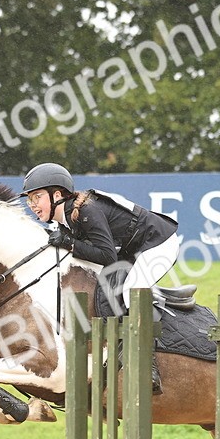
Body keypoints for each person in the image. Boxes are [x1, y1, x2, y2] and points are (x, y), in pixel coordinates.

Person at [20, 162, 180, 393]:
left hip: (157, 243)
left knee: (131, 290)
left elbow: (107, 256)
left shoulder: (87, 210)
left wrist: (70, 244)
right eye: (30, 200)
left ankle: (148, 365)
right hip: (130, 250)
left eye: (37, 197)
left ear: (57, 195)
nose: (32, 205)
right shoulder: (64, 220)